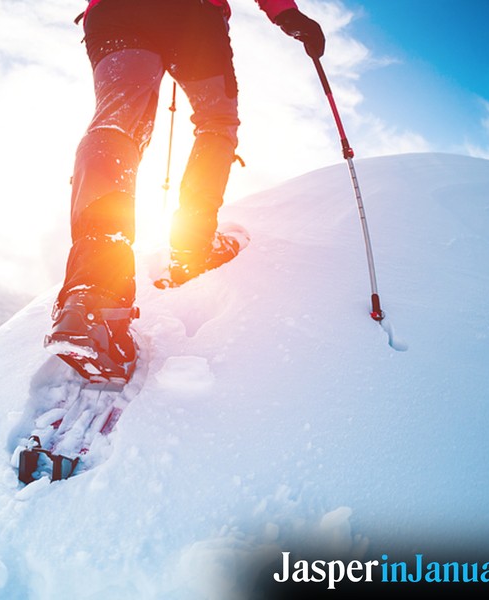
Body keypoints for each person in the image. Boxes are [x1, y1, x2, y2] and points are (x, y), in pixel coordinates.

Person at [45, 0, 325, 383]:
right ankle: (193, 246)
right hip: (190, 16)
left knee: (116, 121)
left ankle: (92, 290)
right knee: (215, 122)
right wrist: (285, 13)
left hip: (116, 12)